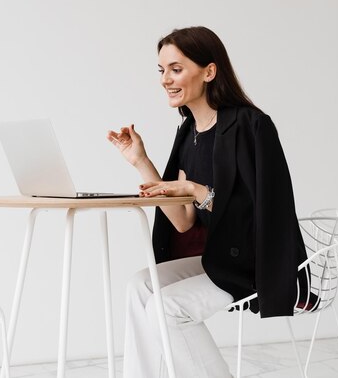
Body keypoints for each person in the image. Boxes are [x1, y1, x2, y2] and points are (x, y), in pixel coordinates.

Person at [107, 26, 306, 378]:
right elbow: (183, 220)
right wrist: (140, 161)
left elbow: (266, 213)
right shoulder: (188, 133)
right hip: (217, 258)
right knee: (140, 285)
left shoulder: (251, 126)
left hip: (253, 263)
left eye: (176, 69)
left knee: (167, 307)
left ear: (209, 72)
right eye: (161, 70)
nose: (165, 79)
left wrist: (201, 192)